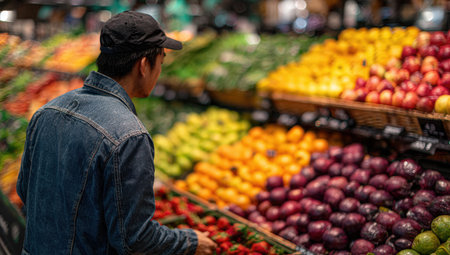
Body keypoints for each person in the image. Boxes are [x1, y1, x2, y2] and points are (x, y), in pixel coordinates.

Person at [17, 11, 217, 255]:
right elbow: (134, 238)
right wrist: (189, 241)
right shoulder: (129, 135)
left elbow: (25, 192)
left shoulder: (46, 111)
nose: (159, 72)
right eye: (161, 63)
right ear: (144, 65)